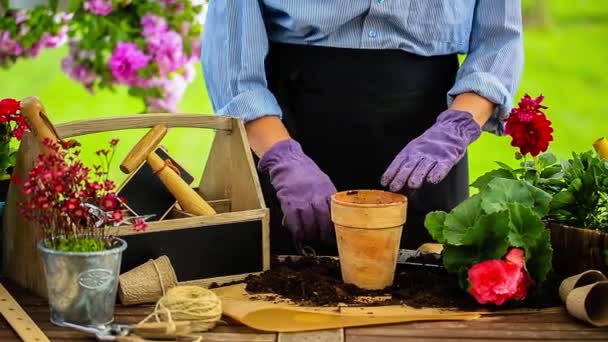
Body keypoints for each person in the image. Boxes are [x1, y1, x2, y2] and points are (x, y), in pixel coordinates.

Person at [201, 1, 523, 255]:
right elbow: (233, 64)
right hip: (289, 128)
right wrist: (282, 158)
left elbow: (499, 41)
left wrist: (456, 126)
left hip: (428, 142)